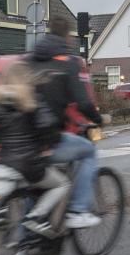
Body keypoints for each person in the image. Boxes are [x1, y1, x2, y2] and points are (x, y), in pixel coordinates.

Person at [25, 15, 104, 229]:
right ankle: (77, 210)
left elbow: (47, 99)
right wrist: (98, 120)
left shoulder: (28, 60)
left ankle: (24, 240)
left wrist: (68, 117)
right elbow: (83, 103)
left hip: (20, 140)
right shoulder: (67, 63)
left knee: (33, 182)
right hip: (46, 139)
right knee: (88, 151)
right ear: (68, 37)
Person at [0, 62, 70, 235]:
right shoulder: (30, 98)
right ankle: (37, 217)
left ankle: (3, 212)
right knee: (62, 184)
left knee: (15, 189)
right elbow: (47, 124)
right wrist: (47, 144)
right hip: (30, 164)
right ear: (24, 78)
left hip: (6, 161)